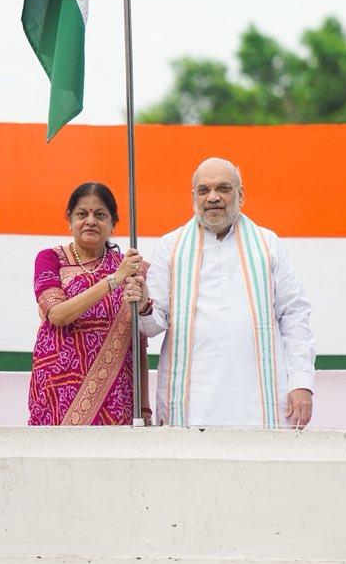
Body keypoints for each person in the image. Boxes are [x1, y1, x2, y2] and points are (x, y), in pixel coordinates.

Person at [125, 158, 315, 428]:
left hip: (259, 401)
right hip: (192, 403)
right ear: (193, 197)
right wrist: (143, 303)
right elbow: (154, 325)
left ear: (241, 194)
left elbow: (294, 315)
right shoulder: (171, 246)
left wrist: (301, 383)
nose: (213, 197)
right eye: (204, 190)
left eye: (223, 189)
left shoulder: (268, 244)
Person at [28, 181, 151, 425]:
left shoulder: (133, 269)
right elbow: (58, 315)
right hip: (56, 391)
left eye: (100, 215)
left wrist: (144, 408)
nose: (91, 221)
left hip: (116, 394)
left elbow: (139, 346)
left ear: (113, 223)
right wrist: (114, 280)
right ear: (70, 219)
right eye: (82, 214)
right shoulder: (50, 259)